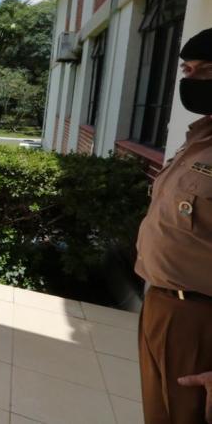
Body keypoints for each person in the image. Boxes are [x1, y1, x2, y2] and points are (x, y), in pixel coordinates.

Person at [135, 27, 212, 424]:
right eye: (187, 69)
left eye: (206, 71)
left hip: (199, 322)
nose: (191, 79)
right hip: (161, 306)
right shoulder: (199, 140)